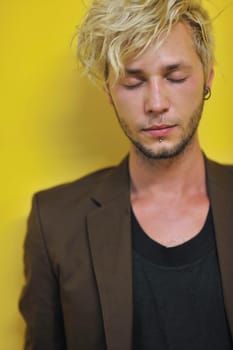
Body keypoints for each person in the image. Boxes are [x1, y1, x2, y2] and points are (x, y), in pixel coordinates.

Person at [19, 1, 233, 349]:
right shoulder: (55, 222)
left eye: (175, 77)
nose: (156, 103)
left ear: (208, 76)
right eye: (133, 83)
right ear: (107, 92)